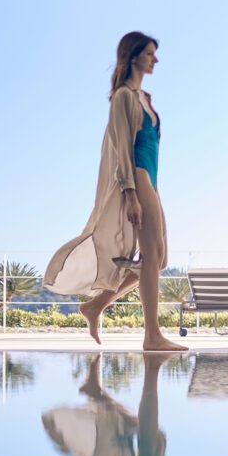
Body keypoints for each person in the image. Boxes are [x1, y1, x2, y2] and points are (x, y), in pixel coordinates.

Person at [44, 31, 186, 352]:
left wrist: (151, 189)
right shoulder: (123, 96)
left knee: (158, 260)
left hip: (151, 179)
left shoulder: (145, 98)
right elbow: (122, 148)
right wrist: (130, 193)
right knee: (150, 257)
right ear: (134, 55)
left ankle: (96, 306)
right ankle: (151, 336)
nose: (155, 59)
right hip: (135, 177)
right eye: (150, 53)